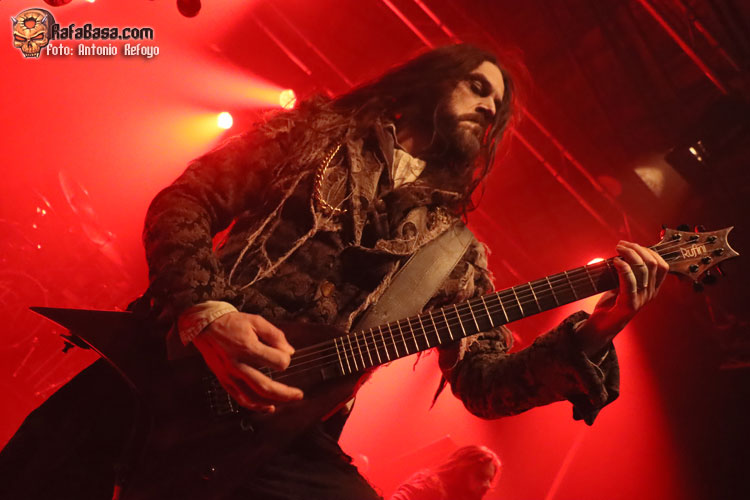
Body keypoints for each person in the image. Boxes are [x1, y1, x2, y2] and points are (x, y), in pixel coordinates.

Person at [0, 43, 667, 500]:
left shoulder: (456, 253)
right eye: (478, 85)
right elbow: (186, 202)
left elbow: (486, 386)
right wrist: (207, 312)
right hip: (169, 366)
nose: (491, 107)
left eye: (499, 105)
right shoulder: (315, 134)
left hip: (281, 434)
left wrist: (596, 332)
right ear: (433, 78)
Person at [391, 445, 501, 500]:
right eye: (481, 476)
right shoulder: (429, 485)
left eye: (490, 480)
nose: (487, 485)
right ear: (462, 471)